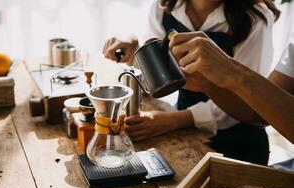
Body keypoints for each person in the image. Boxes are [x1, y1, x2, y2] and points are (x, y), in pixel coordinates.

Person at [103, 0, 280, 165]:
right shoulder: (164, 7)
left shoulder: (255, 19)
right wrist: (136, 48)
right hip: (187, 137)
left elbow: (249, 101)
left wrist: (173, 121)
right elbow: (156, 71)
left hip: (240, 145)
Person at [169, 31, 294, 143]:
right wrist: (208, 84)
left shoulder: (255, 19)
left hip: (242, 143)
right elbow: (262, 113)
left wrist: (231, 71)